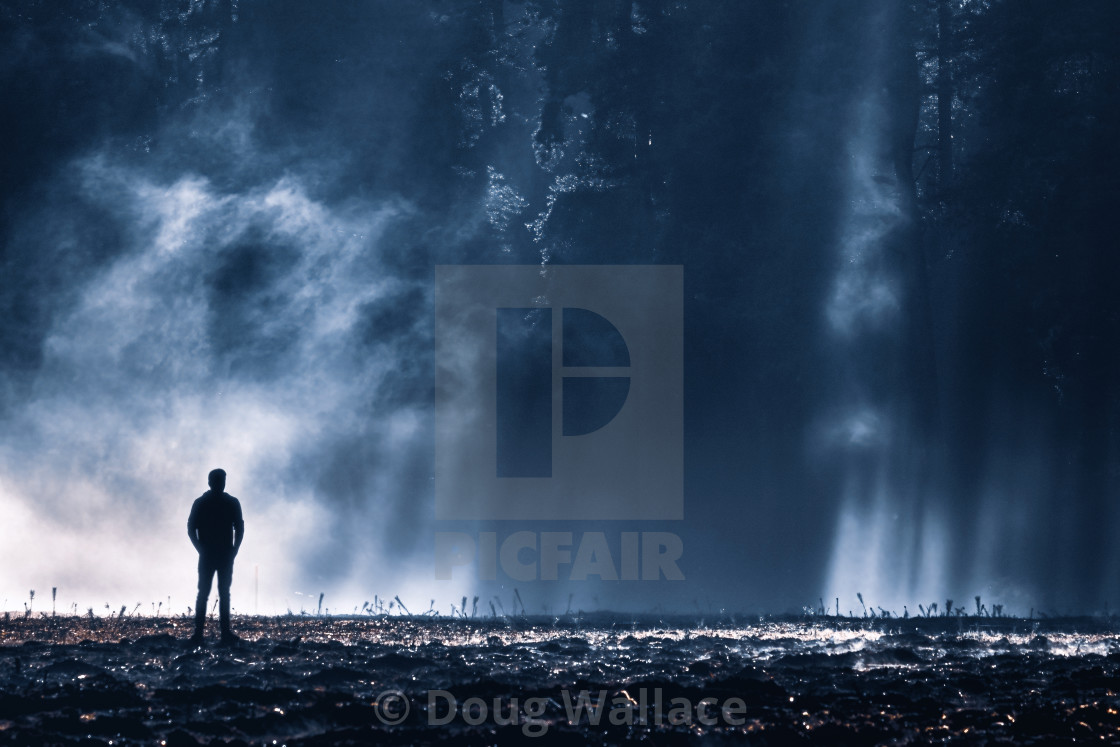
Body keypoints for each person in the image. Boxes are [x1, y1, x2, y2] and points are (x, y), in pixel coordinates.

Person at [187, 468, 244, 646]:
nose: (221, 484)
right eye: (220, 480)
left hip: (212, 554)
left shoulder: (202, 502)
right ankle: (222, 634)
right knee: (220, 594)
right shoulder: (230, 502)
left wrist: (200, 549)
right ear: (213, 482)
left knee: (205, 594)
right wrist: (234, 550)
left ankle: (200, 635)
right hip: (221, 554)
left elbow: (191, 529)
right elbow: (240, 529)